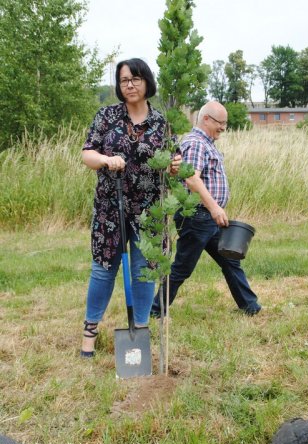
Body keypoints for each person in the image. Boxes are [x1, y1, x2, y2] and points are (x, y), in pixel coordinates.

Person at [81, 58, 181, 357]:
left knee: (142, 271)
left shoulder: (162, 122)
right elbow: (87, 154)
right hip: (111, 209)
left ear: (147, 82)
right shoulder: (107, 116)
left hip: (149, 209)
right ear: (119, 85)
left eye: (136, 79)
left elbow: (173, 162)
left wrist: (174, 165)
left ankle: (140, 331)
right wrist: (105, 160)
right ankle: (89, 333)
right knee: (103, 270)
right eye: (124, 80)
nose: (130, 85)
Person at [151, 100, 261, 318]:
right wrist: (214, 208)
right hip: (198, 216)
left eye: (225, 124)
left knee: (231, 260)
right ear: (206, 119)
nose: (223, 128)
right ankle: (155, 311)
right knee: (182, 268)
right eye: (221, 123)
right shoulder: (196, 143)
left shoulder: (207, 143)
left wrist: (215, 210)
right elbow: (191, 178)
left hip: (209, 217)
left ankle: (250, 306)